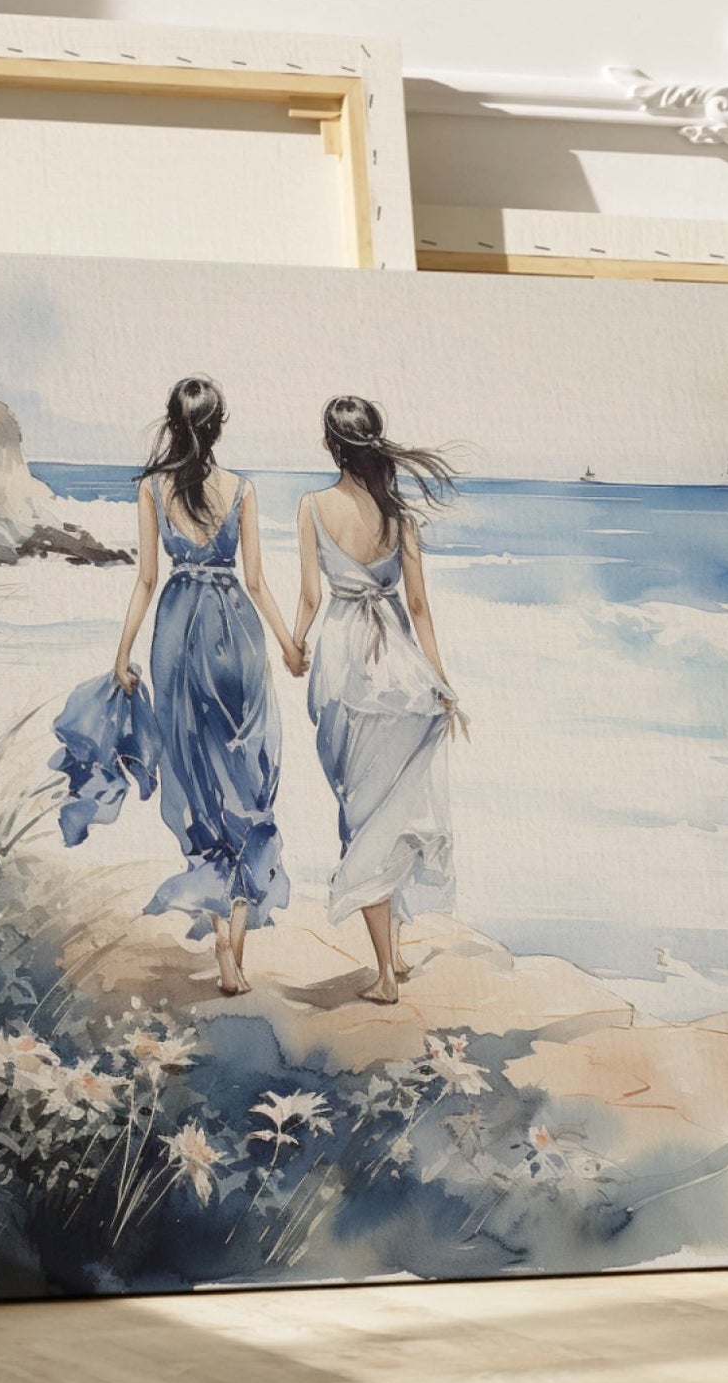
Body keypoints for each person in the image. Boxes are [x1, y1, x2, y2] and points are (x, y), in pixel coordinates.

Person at [55, 375, 301, 997]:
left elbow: (144, 579)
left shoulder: (152, 489)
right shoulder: (242, 489)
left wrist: (122, 654)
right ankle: (235, 945)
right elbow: (258, 581)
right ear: (220, 427)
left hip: (175, 631)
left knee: (197, 783)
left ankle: (222, 940)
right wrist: (289, 643)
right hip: (236, 636)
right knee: (244, 779)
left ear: (172, 422)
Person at [292, 395, 464, 1005]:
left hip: (344, 667)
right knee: (390, 811)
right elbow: (418, 608)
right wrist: (441, 683)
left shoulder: (312, 507)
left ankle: (387, 974)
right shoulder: (399, 517)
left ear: (329, 445)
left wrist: (293, 644)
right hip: (399, 669)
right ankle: (394, 958)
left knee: (360, 813)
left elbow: (311, 598)